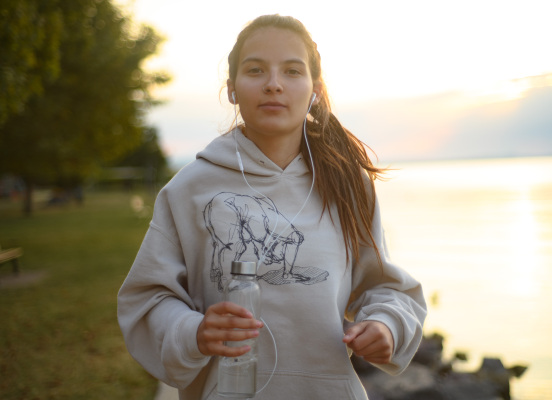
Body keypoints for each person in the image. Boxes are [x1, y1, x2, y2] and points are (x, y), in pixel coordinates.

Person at [118, 14, 427, 400]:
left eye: (292, 71)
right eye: (256, 70)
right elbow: (148, 300)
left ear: (315, 89)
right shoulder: (188, 189)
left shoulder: (347, 185)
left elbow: (386, 287)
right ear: (231, 89)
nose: (273, 84)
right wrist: (193, 331)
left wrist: (386, 326)